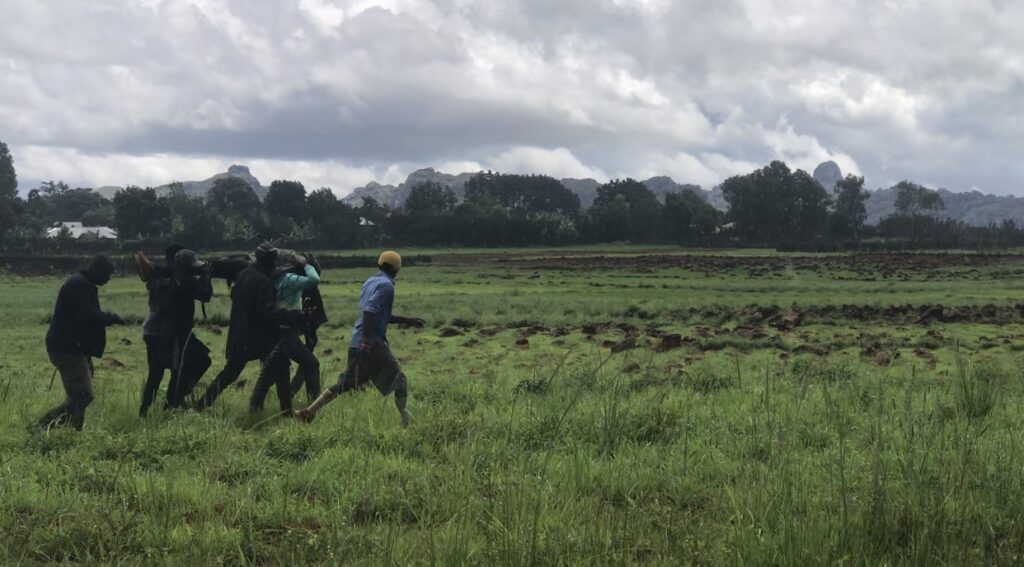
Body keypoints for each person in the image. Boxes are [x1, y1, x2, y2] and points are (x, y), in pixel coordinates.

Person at [294, 251, 424, 427]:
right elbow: (370, 311)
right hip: (372, 344)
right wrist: (368, 341)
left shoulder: (370, 282)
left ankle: (309, 412)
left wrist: (407, 320)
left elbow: (378, 313)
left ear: (379, 265)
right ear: (396, 269)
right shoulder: (387, 286)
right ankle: (406, 422)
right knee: (399, 381)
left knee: (346, 383)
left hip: (357, 342)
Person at [195, 243, 303, 413]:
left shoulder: (244, 274)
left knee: (229, 374)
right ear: (269, 263)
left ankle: (201, 405)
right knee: (281, 366)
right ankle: (285, 411)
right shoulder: (262, 281)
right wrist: (294, 316)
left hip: (241, 333)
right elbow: (267, 312)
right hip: (258, 337)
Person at [38, 255, 125, 431]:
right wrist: (111, 318)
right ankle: (44, 425)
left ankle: (75, 430)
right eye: (107, 274)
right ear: (96, 269)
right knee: (82, 395)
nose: (108, 278)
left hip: (74, 347)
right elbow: (88, 316)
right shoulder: (79, 285)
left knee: (79, 395)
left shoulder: (82, 284)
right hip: (67, 348)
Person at [138, 248, 213, 416]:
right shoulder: (182, 282)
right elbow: (206, 294)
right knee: (190, 365)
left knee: (157, 372)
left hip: (153, 330)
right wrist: (206, 275)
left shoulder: (162, 278)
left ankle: (146, 410)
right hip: (171, 333)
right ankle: (171, 404)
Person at [249, 251, 322, 410]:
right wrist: (305, 264)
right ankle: (314, 403)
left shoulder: (274, 278)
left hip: (281, 331)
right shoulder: (289, 280)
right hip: (286, 333)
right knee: (274, 372)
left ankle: (258, 405)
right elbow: (314, 279)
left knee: (302, 365)